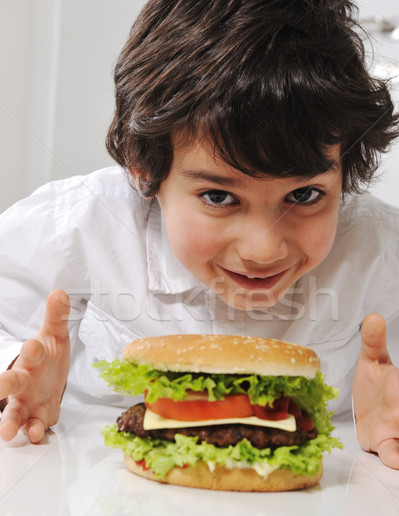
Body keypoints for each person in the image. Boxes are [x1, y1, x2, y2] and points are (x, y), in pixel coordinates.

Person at [1, 0, 399, 468]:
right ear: (145, 172)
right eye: (218, 197)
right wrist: (14, 374)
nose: (263, 250)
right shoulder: (70, 227)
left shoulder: (380, 250)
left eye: (306, 195)